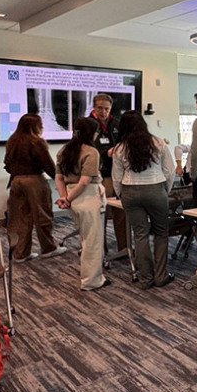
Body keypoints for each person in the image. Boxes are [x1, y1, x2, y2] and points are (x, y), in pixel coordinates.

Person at [113, 111, 176, 289]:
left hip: (130, 192)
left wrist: (121, 194)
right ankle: (161, 276)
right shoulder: (158, 142)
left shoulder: (119, 148)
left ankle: (146, 278)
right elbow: (169, 171)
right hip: (156, 189)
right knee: (161, 233)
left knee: (140, 235)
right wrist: (165, 190)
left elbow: (116, 177)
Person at [55, 117, 109, 291]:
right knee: (92, 241)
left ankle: (93, 276)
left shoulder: (63, 151)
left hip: (72, 196)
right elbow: (85, 181)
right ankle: (91, 280)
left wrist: (64, 197)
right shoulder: (91, 152)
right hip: (88, 197)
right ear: (93, 133)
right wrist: (68, 199)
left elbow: (59, 177)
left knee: (85, 238)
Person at [4, 113, 67, 263]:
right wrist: (60, 181)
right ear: (35, 126)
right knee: (42, 216)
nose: (43, 128)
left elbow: (6, 164)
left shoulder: (12, 141)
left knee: (19, 218)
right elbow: (48, 165)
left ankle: (20, 253)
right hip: (34, 182)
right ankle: (48, 248)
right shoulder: (37, 142)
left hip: (16, 181)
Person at [89, 93, 128, 253]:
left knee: (121, 214)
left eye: (106, 109)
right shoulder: (88, 125)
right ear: (94, 107)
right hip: (98, 176)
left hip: (118, 175)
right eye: (100, 108)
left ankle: (124, 248)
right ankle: (100, 251)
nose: (103, 112)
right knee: (100, 216)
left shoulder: (117, 123)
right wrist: (106, 153)